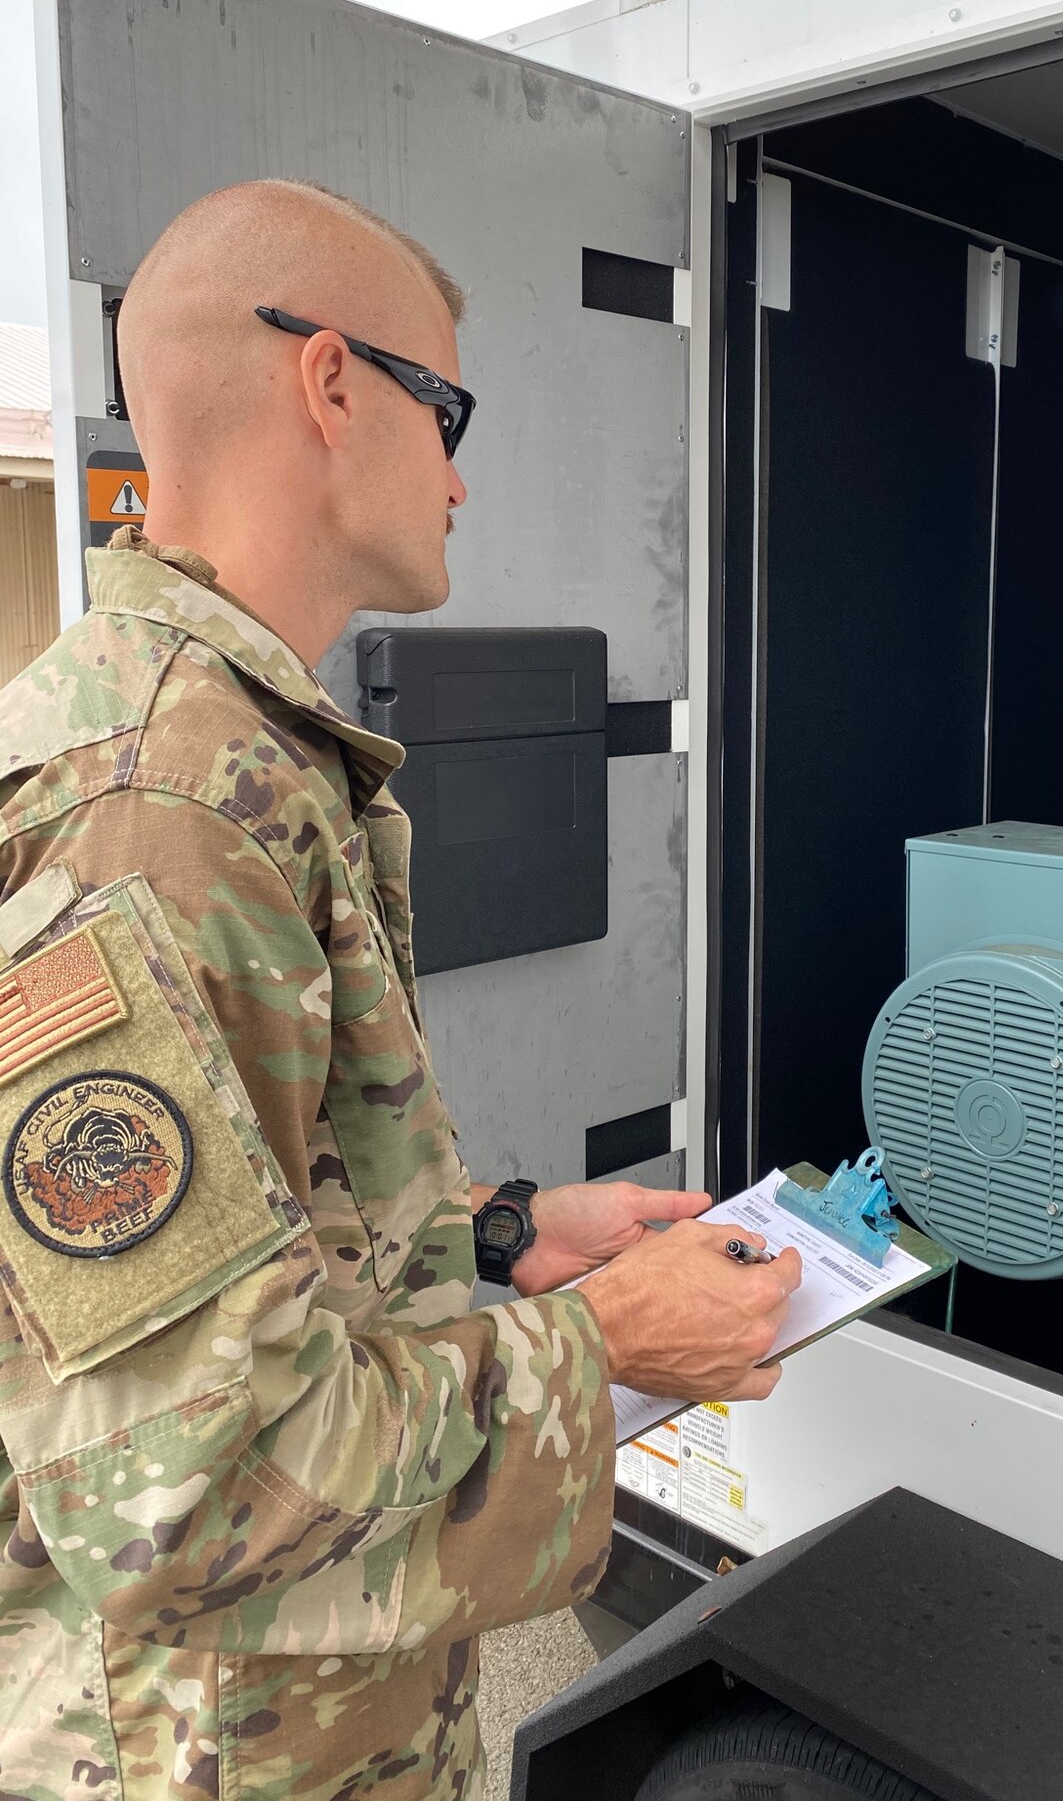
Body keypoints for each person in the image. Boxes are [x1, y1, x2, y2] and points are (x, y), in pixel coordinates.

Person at [0, 180, 801, 1799]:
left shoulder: (243, 756)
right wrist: (607, 1341)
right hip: (204, 1753)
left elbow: (272, 1226)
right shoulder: (157, 810)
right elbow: (190, 1482)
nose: (455, 472)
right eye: (448, 409)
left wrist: (503, 1234)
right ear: (332, 381)